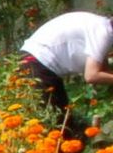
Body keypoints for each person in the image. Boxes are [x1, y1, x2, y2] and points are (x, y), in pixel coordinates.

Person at [20, 11, 113, 139]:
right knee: (54, 129)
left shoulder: (101, 25)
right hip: (37, 64)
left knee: (62, 125)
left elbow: (103, 69)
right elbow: (91, 75)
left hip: (37, 62)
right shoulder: (104, 33)